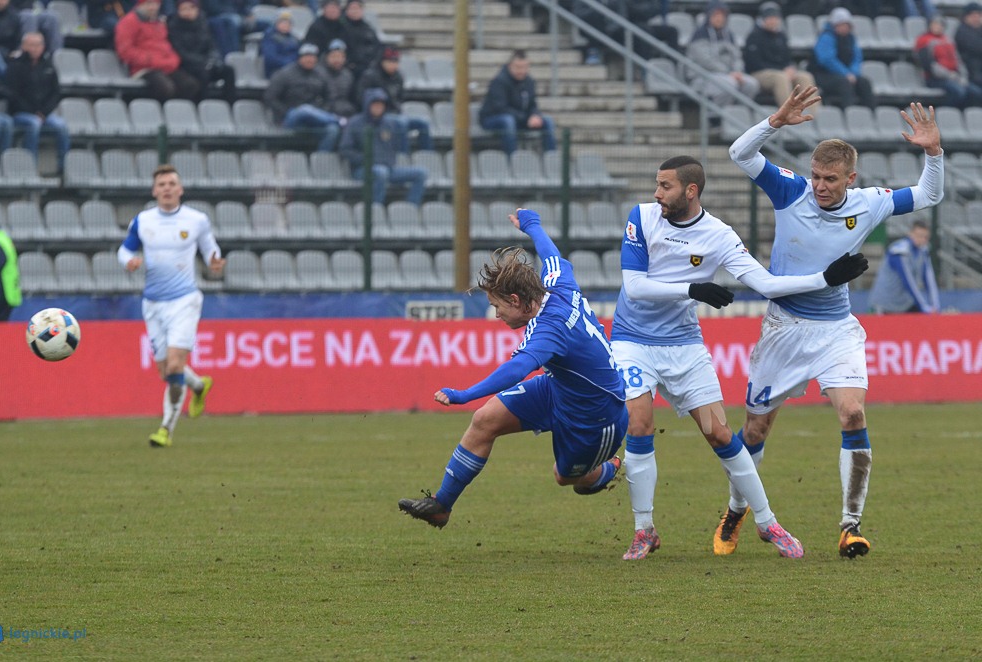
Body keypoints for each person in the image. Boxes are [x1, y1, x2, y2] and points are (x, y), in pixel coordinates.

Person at [612, 155, 868, 560]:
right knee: (639, 422)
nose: (656, 193)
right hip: (632, 340)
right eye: (657, 185)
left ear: (690, 191)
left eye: (665, 186)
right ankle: (645, 530)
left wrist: (825, 279)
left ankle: (767, 523)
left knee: (720, 433)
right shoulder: (642, 217)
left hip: (684, 346)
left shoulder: (718, 235)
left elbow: (765, 283)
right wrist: (692, 290)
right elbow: (635, 287)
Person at [725, 85, 944, 558]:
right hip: (783, 327)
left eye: (830, 179)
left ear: (851, 178)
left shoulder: (871, 202)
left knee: (852, 414)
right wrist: (775, 122)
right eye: (816, 176)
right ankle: (736, 508)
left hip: (836, 330)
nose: (820, 186)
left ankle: (851, 526)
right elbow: (739, 153)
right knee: (757, 430)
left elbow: (930, 193)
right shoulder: (790, 191)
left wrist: (934, 151)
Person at [398, 207, 628, 529]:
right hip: (558, 389)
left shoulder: (549, 331)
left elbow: (517, 369)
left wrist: (465, 394)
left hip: (595, 415)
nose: (496, 315)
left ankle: (611, 466)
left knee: (565, 477)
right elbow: (550, 252)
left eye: (497, 306)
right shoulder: (556, 282)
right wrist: (532, 224)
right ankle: (441, 505)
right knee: (485, 419)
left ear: (517, 300)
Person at [117, 163, 225, 448]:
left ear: (180, 189)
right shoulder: (142, 221)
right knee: (167, 371)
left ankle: (165, 429)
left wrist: (215, 260)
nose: (166, 188)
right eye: (161, 184)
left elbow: (210, 248)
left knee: (176, 364)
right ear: (155, 191)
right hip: (153, 303)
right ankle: (199, 386)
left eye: (171, 184)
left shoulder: (196, 220)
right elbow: (125, 249)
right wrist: (128, 261)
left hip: (185, 300)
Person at [338, 87, 427, 205]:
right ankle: (376, 208)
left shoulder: (390, 124)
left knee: (421, 173)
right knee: (380, 172)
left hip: (389, 168)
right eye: (375, 104)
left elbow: (396, 145)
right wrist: (366, 159)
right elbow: (345, 149)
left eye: (381, 105)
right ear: (368, 105)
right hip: (363, 169)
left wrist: (389, 160)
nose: (378, 108)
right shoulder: (355, 123)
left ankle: (410, 208)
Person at [5, 32, 70, 172]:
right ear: (23, 46)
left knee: (62, 126)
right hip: (20, 113)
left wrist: (44, 112)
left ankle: (63, 167)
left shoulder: (49, 66)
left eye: (37, 45)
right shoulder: (15, 66)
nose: (34, 48)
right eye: (31, 45)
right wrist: (33, 113)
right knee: (33, 124)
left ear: (43, 47)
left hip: (44, 113)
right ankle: (30, 166)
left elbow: (56, 93)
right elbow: (12, 95)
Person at [115, 0, 200, 102]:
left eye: (155, 4)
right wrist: (150, 60)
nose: (153, 7)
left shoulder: (159, 22)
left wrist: (173, 60)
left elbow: (166, 45)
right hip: (143, 69)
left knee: (190, 85)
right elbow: (125, 51)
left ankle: (175, 113)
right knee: (165, 88)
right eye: (149, 4)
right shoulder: (129, 21)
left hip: (164, 66)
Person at [263, 42, 341, 152]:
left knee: (332, 130)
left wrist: (323, 110)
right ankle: (336, 120)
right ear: (300, 58)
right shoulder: (285, 73)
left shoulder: (321, 74)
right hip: (291, 118)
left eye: (312, 57)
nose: (310, 60)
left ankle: (320, 161)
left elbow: (331, 96)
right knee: (303, 110)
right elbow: (270, 97)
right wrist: (285, 113)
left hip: (314, 119)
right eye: (307, 57)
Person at [355, 46, 432, 152]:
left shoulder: (398, 77)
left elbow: (400, 98)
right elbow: (361, 99)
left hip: (396, 113)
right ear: (383, 61)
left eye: (396, 62)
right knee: (401, 123)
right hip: (379, 117)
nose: (393, 65)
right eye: (390, 61)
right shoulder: (370, 76)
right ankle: (403, 158)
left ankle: (427, 155)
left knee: (423, 123)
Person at [478, 49, 556, 155]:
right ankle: (513, 159)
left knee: (547, 121)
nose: (522, 71)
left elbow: (532, 104)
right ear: (510, 66)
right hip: (493, 119)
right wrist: (526, 118)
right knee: (508, 121)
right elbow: (500, 108)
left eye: (525, 67)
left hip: (520, 119)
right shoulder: (499, 82)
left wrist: (535, 115)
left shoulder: (529, 82)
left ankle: (552, 159)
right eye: (518, 67)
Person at [744, 1, 819, 110]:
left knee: (805, 77)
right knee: (781, 78)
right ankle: (788, 114)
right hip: (760, 73)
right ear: (763, 19)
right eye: (770, 18)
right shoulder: (754, 37)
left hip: (781, 71)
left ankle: (811, 115)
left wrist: (790, 68)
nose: (773, 21)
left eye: (775, 18)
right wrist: (782, 70)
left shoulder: (781, 36)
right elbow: (754, 64)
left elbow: (787, 58)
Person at [685, 0, 759, 108]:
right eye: (716, 15)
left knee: (751, 84)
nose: (719, 18)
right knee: (729, 84)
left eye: (722, 15)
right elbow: (706, 61)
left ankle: (737, 114)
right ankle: (716, 118)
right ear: (708, 16)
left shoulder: (729, 35)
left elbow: (737, 57)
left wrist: (737, 71)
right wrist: (729, 73)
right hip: (702, 76)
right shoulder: (699, 34)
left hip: (728, 75)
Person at [168, 0, 237, 103]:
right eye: (184, 9)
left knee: (228, 70)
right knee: (203, 73)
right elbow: (179, 52)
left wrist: (212, 60)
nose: (188, 12)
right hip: (186, 66)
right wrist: (202, 62)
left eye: (191, 8)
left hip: (205, 63)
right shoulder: (173, 27)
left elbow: (211, 46)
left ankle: (230, 104)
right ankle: (202, 104)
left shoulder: (203, 23)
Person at [809, 7, 876, 109]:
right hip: (824, 75)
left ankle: (872, 113)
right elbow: (827, 59)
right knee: (844, 84)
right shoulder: (826, 37)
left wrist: (853, 73)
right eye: (842, 24)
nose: (844, 27)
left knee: (864, 83)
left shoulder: (851, 38)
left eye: (846, 25)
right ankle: (848, 112)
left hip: (847, 74)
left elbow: (857, 57)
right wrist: (845, 74)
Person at [868, 220, 939, 314]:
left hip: (904, 305)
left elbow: (929, 279)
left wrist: (935, 307)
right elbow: (908, 282)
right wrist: (924, 307)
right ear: (910, 233)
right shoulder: (899, 251)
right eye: (919, 235)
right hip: (885, 305)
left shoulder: (923, 251)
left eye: (925, 237)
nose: (922, 239)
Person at [915, 15, 982, 108]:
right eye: (935, 24)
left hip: (954, 77)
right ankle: (943, 113)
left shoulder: (948, 40)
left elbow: (958, 60)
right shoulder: (924, 41)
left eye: (940, 25)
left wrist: (962, 75)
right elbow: (929, 65)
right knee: (958, 92)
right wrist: (949, 75)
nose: (938, 27)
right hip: (935, 79)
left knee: (976, 93)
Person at [315, 38, 355, 119]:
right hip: (323, 113)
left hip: (344, 112)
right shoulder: (317, 73)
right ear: (327, 57)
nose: (337, 60)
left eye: (341, 57)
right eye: (334, 56)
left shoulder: (347, 75)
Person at [340, 0, 380, 81]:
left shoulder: (368, 29)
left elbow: (377, 48)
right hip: (346, 68)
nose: (355, 11)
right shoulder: (339, 28)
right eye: (352, 8)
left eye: (358, 8)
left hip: (366, 67)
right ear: (346, 10)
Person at [259, 11, 299, 79]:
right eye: (283, 22)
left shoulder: (294, 39)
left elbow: (298, 55)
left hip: (292, 69)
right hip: (275, 71)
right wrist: (288, 63)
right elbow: (270, 58)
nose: (286, 25)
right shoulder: (270, 37)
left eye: (289, 23)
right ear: (276, 23)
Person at [955, 2, 982, 88]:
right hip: (970, 73)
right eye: (973, 16)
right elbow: (977, 48)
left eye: (979, 15)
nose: (976, 18)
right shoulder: (962, 32)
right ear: (966, 17)